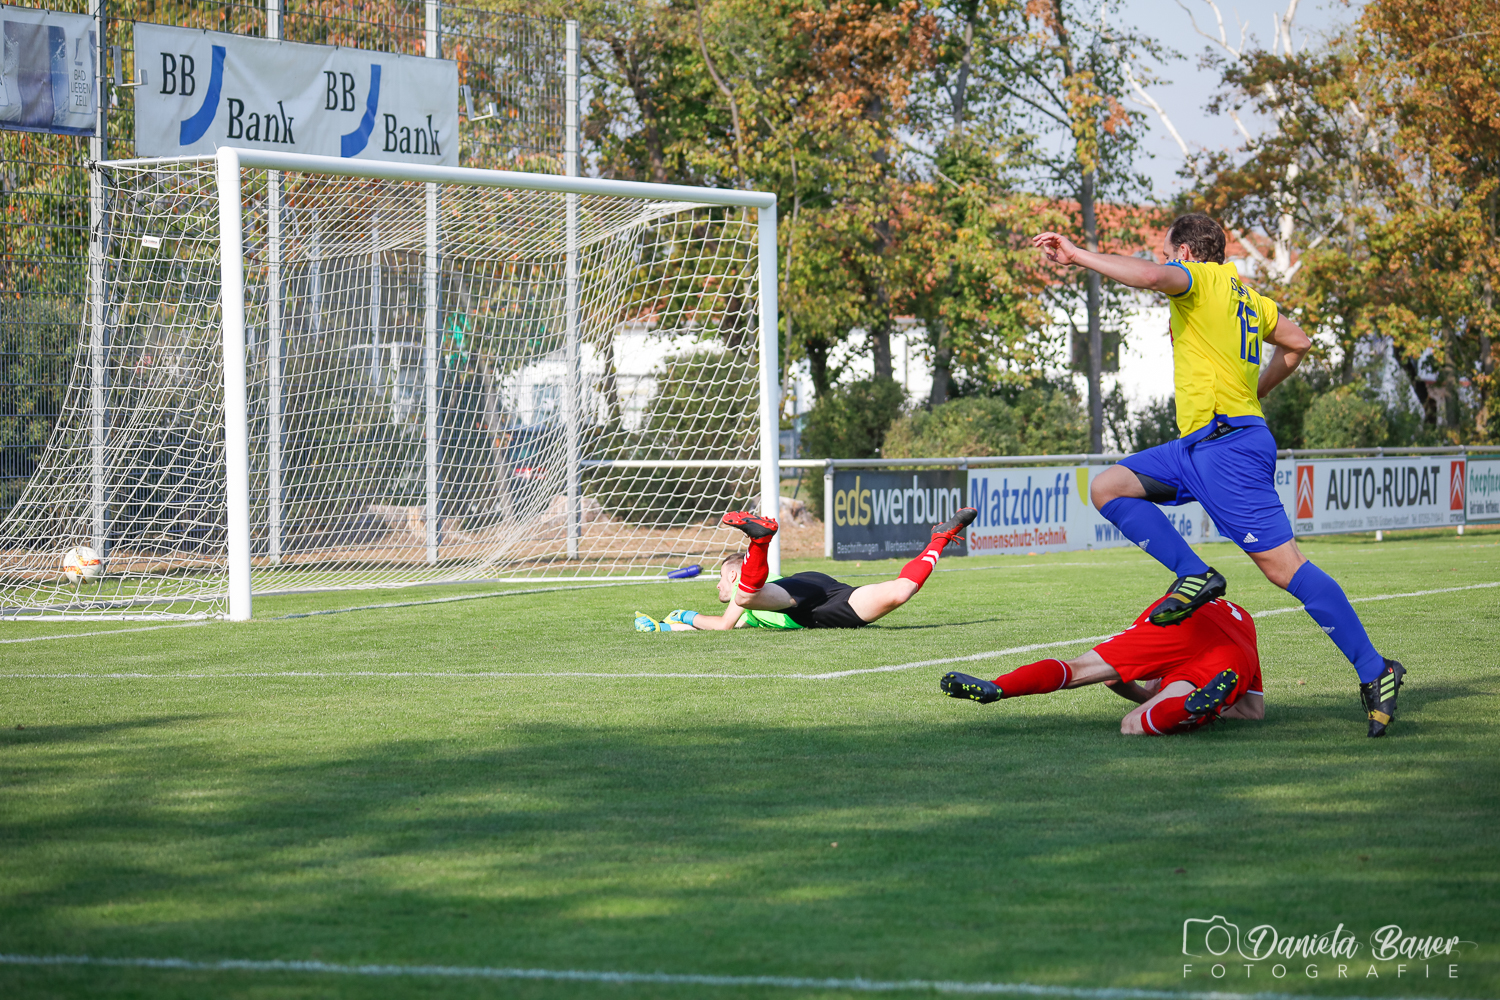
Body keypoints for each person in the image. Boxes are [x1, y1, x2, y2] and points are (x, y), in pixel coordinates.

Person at [1030, 214, 1404, 737]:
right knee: (1108, 486)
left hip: (1227, 448)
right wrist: (1254, 398)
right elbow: (1297, 343)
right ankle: (1194, 574)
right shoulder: (1249, 298)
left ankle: (1375, 669)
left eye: (1168, 253)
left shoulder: (1199, 278)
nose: (1165, 261)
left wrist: (1078, 256)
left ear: (1184, 252)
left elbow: (1152, 278)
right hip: (1195, 446)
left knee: (1285, 569)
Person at [940, 591, 1265, 736]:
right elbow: (1253, 712)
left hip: (1176, 623)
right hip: (1232, 652)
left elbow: (1112, 679)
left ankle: (999, 687)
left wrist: (1146, 695)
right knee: (1136, 723)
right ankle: (1190, 708)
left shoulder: (1161, 610)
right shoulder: (1242, 619)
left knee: (1079, 668)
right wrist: (1158, 699)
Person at [634, 507, 978, 631]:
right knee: (902, 590)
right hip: (825, 592)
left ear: (736, 574)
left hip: (801, 602)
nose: (718, 589)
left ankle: (760, 542)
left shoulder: (744, 600)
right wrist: (661, 628)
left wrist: (682, 615)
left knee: (745, 598)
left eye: (721, 580)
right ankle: (940, 537)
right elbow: (721, 626)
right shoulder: (756, 603)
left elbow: (722, 624)